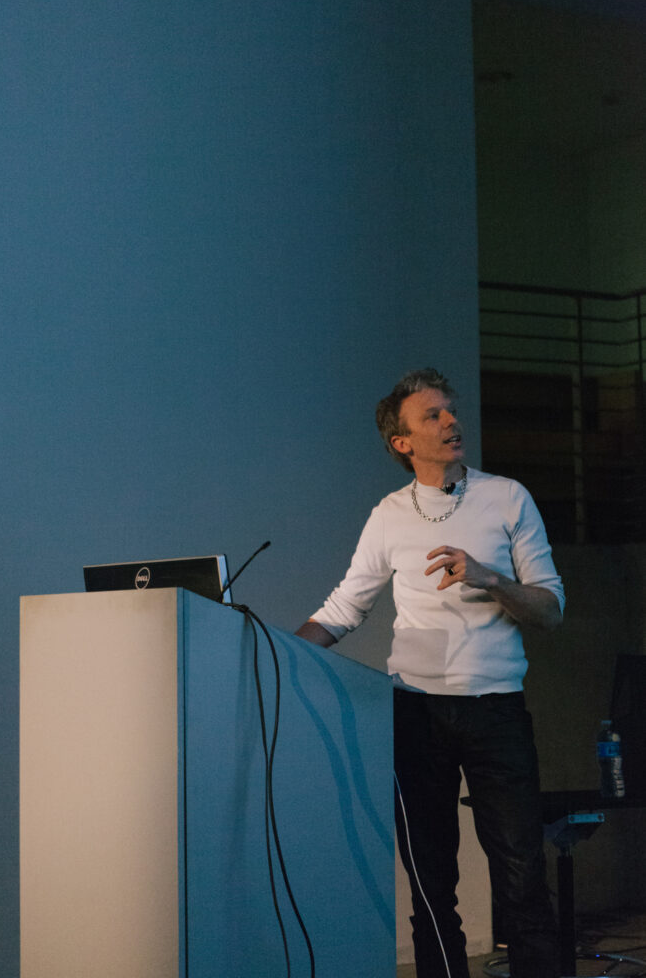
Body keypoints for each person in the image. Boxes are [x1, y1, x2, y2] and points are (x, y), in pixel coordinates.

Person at [296, 368, 563, 978]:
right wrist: (279, 649)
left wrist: (489, 576)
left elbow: (550, 610)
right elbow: (345, 607)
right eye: (433, 417)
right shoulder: (389, 514)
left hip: (495, 708)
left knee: (522, 876)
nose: (451, 422)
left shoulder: (507, 497)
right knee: (430, 883)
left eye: (450, 411)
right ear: (403, 443)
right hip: (414, 713)